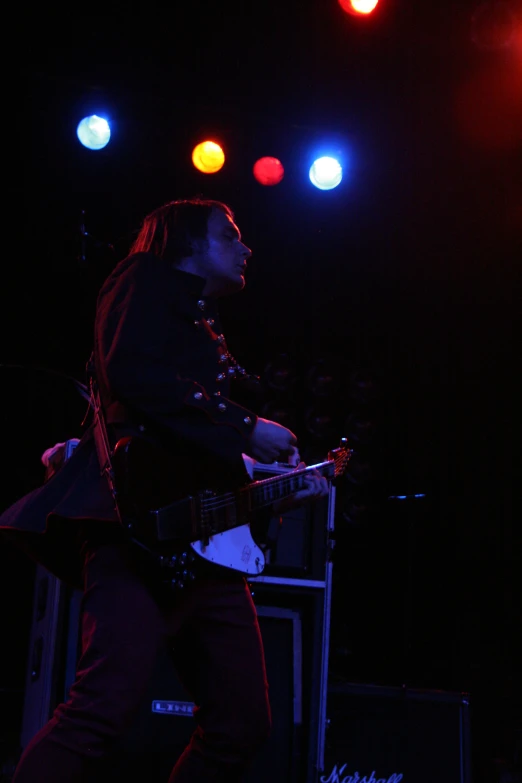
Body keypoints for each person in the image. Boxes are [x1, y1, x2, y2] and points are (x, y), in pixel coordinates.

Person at [0, 197, 328, 782]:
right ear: (186, 243)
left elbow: (186, 436)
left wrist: (270, 482)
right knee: (100, 711)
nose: (246, 247)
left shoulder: (203, 324)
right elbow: (134, 375)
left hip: (207, 548)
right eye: (230, 235)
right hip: (139, 540)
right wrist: (246, 426)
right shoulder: (141, 277)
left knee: (242, 724)